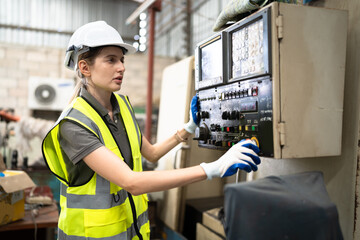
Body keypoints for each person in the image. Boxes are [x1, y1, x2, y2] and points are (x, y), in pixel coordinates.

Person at [42, 21, 260, 240]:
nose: (122, 67)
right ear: (85, 67)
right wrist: (214, 168)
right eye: (111, 59)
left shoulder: (122, 106)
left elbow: (152, 153)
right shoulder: (74, 124)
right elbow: (132, 182)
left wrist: (189, 128)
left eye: (122, 59)